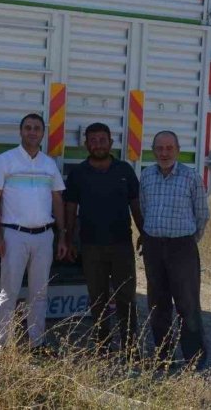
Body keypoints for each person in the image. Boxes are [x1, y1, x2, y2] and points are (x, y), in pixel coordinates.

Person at [0, 113, 68, 350]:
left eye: (37, 128)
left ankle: (36, 343)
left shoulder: (49, 164)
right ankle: (3, 345)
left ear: (43, 133)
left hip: (44, 236)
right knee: (9, 291)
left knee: (39, 293)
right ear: (21, 132)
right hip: (13, 235)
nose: (32, 132)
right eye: (28, 128)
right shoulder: (5, 160)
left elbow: (58, 200)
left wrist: (62, 235)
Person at [64, 122, 142, 356]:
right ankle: (102, 345)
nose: (98, 144)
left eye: (102, 140)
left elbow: (135, 204)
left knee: (126, 298)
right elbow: (70, 208)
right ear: (86, 144)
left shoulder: (124, 170)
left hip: (121, 245)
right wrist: (68, 239)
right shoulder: (78, 173)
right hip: (90, 246)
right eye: (93, 140)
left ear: (111, 142)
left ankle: (130, 347)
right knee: (97, 299)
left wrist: (144, 233)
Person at [139, 130, 210, 369]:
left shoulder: (191, 178)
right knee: (157, 305)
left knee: (187, 305)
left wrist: (187, 242)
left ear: (178, 150)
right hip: (153, 247)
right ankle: (162, 357)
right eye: (159, 148)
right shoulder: (147, 176)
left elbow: (201, 214)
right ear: (153, 151)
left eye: (169, 148)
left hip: (182, 248)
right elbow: (143, 208)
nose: (164, 153)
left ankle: (194, 360)